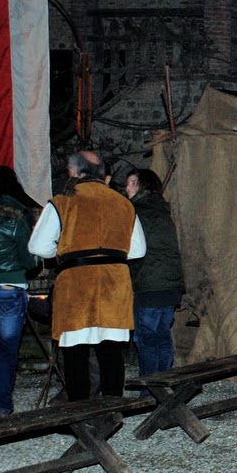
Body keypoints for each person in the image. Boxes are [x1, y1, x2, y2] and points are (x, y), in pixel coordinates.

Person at [28, 151, 147, 402]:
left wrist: (66, 251)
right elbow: (138, 250)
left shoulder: (62, 202)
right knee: (111, 350)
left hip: (77, 283)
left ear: (74, 171)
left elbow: (38, 247)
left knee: (75, 350)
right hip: (114, 283)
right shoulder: (124, 203)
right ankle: (112, 409)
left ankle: (79, 410)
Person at [125, 168, 184, 377]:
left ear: (142, 185)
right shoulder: (162, 209)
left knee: (146, 338)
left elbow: (133, 250)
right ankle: (164, 384)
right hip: (169, 284)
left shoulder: (136, 211)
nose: (127, 187)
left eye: (132, 182)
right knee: (161, 336)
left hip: (149, 284)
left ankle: (150, 387)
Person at [0, 167, 40, 416]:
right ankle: (1, 404)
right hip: (10, 288)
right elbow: (29, 262)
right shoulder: (18, 216)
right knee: (7, 349)